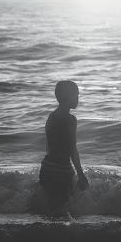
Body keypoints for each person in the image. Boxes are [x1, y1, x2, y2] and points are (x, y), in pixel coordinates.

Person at [39, 80, 89, 214]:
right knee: (62, 211)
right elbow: (72, 148)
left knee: (51, 210)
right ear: (67, 96)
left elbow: (50, 146)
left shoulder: (51, 116)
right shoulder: (70, 120)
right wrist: (80, 174)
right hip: (60, 170)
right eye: (75, 95)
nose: (78, 98)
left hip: (47, 167)